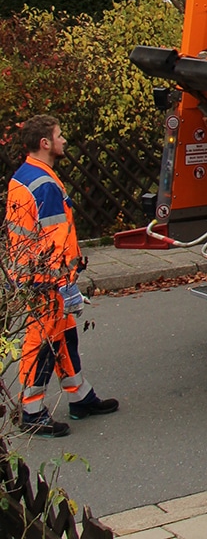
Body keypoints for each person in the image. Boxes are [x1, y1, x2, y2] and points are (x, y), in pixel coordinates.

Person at [6, 115, 118, 437]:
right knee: (41, 341)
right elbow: (54, 240)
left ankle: (79, 395)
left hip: (32, 275)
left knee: (63, 334)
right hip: (45, 278)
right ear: (45, 143)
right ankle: (31, 411)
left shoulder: (27, 176)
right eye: (59, 135)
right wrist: (66, 284)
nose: (64, 140)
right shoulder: (44, 184)